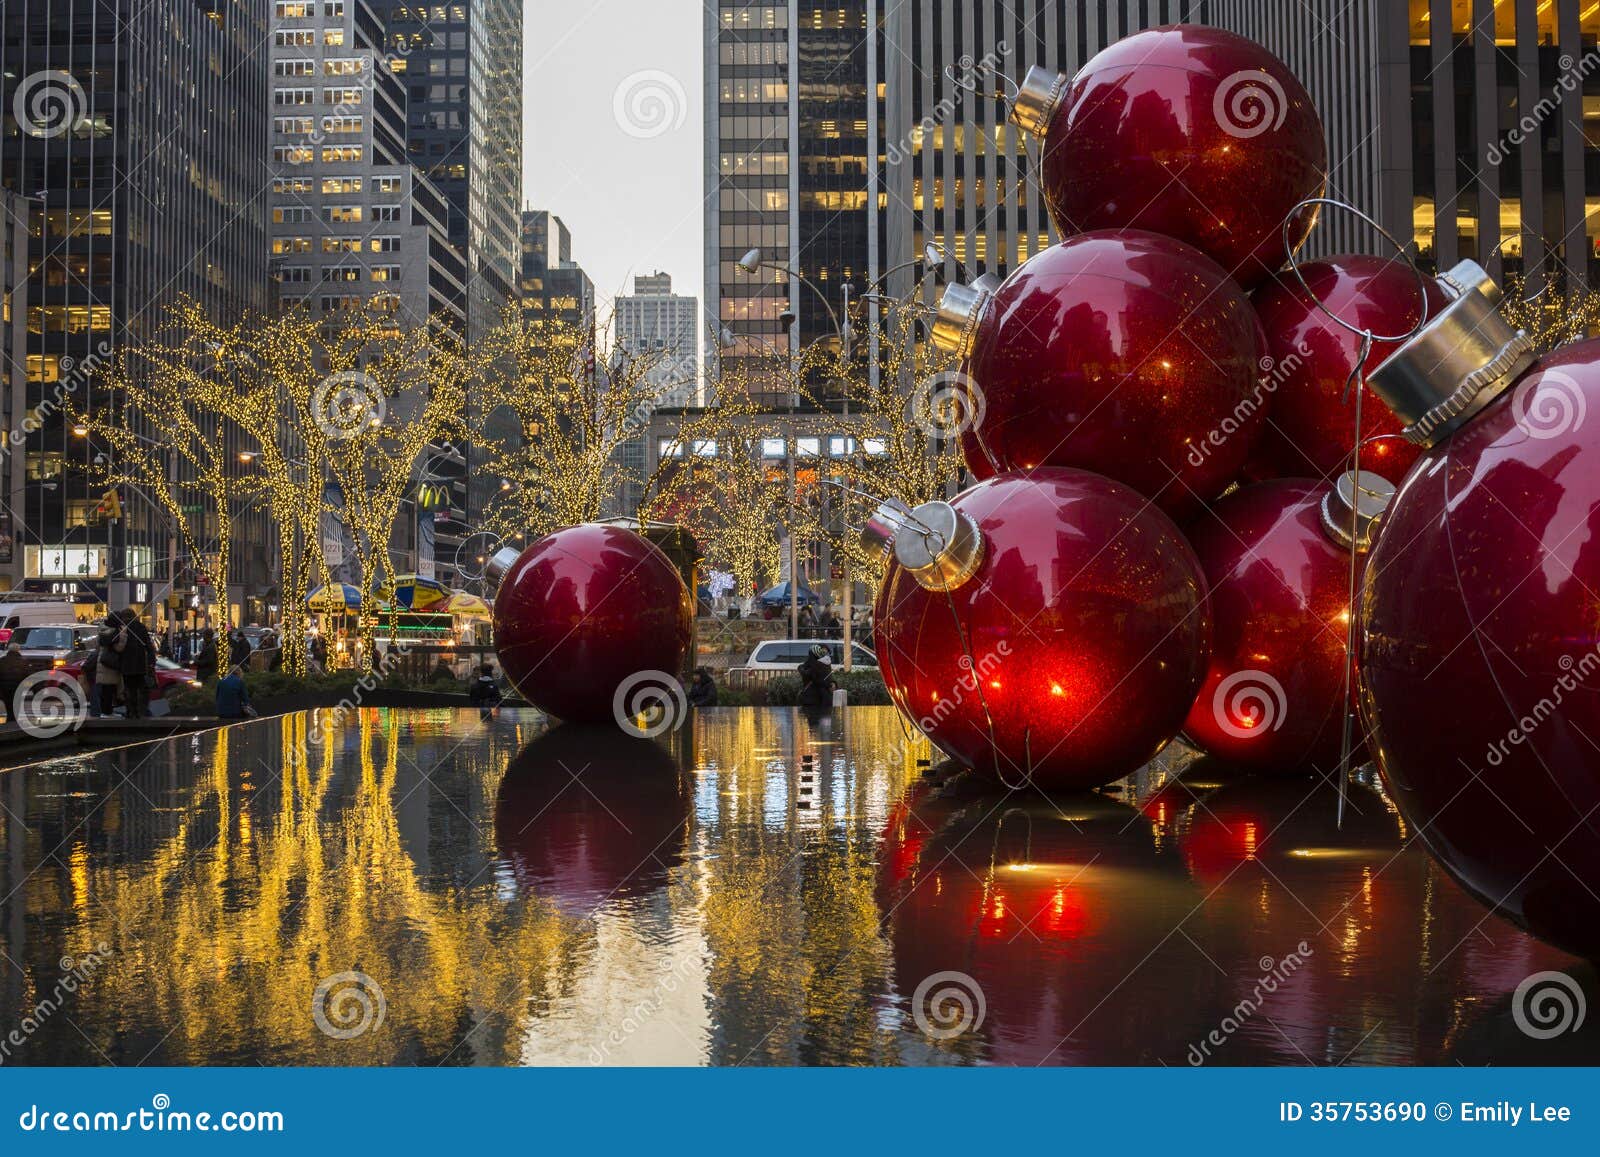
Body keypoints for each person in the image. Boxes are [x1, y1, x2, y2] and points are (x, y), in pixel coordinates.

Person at [118, 610, 155, 720]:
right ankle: (139, 711)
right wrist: (151, 661)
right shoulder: (141, 627)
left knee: (129, 688)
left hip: (126, 664)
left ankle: (130, 711)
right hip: (140, 664)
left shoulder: (122, 628)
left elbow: (119, 646)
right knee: (140, 688)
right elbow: (149, 646)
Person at [94, 613, 126, 717]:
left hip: (102, 661)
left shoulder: (102, 630)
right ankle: (107, 712)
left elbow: (97, 646)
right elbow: (119, 648)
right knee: (110, 689)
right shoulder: (118, 631)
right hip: (111, 663)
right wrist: (124, 635)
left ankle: (106, 711)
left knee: (105, 689)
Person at [797, 643, 834, 714]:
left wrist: (833, 683)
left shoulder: (820, 665)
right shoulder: (818, 665)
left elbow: (828, 678)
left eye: (826, 652)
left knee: (816, 720)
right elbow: (822, 679)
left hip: (816, 699)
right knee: (821, 720)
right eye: (823, 651)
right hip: (816, 698)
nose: (824, 654)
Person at [0, 643, 29, 724]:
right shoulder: (23, 661)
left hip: (4, 687)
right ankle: (15, 720)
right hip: (18, 686)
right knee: (17, 702)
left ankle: (10, 718)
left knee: (8, 703)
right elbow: (27, 675)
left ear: (9, 650)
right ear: (18, 650)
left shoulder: (2, 660)